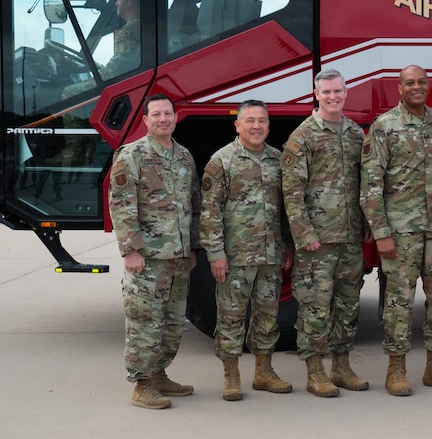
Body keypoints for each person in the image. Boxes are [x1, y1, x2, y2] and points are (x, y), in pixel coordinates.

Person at [360, 64, 432, 396]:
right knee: (399, 302)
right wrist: (381, 233)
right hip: (401, 231)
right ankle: (396, 369)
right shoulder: (384, 127)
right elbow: (371, 185)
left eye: (422, 82)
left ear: (428, 85)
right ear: (399, 88)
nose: (417, 87)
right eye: (410, 83)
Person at [110, 93, 201, 409]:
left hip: (177, 256)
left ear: (176, 117)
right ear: (145, 120)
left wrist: (192, 248)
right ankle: (142, 384)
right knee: (145, 320)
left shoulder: (185, 156)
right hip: (147, 258)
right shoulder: (132, 155)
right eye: (157, 114)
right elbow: (121, 205)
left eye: (168, 114)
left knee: (172, 321)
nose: (164, 119)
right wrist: (130, 250)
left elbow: (194, 204)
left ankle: (159, 374)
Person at [282, 69, 369, 398]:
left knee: (347, 304)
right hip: (317, 240)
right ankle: (315, 370)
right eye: (327, 92)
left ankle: (342, 366)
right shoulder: (302, 136)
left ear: (346, 93)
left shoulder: (354, 134)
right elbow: (291, 191)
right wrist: (305, 235)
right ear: (316, 94)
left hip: (349, 237)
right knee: (315, 307)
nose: (333, 96)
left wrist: (367, 226)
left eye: (338, 91)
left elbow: (364, 185)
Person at [199, 100, 294, 401]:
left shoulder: (277, 159)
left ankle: (264, 372)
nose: (256, 126)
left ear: (268, 125)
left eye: (262, 121)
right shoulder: (222, 161)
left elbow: (285, 210)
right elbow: (210, 211)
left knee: (268, 316)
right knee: (230, 317)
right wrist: (215, 253)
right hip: (235, 257)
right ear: (237, 125)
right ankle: (231, 375)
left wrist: (288, 246)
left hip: (270, 255)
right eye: (250, 120)